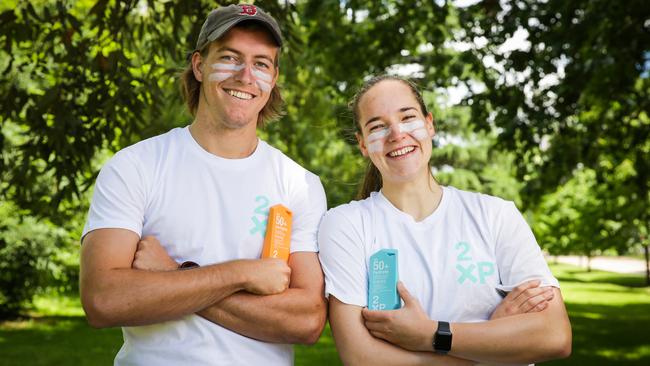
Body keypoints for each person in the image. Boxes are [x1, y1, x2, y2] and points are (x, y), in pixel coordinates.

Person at [79, 4, 327, 365]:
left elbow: (306, 321)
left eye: (261, 63)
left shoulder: (299, 184)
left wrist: (174, 276)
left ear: (273, 79)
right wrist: (241, 274)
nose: (245, 75)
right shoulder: (134, 166)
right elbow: (103, 299)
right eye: (229, 57)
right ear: (199, 65)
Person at [318, 75, 572, 365]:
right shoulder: (345, 224)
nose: (397, 133)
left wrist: (430, 335)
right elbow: (361, 358)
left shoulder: (496, 215)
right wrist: (493, 341)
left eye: (407, 117)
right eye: (378, 126)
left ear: (429, 124)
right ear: (363, 144)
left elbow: (555, 336)